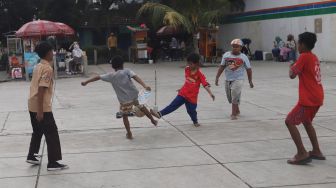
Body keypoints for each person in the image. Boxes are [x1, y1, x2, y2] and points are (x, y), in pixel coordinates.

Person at [81, 56, 157, 139]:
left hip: (124, 101)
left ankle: (129, 133)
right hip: (135, 96)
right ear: (122, 64)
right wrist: (144, 85)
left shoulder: (111, 75)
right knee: (143, 107)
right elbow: (136, 77)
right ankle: (152, 120)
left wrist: (86, 82)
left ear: (113, 66)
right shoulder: (127, 71)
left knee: (125, 116)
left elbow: (97, 77)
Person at [26, 41, 68, 171]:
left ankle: (32, 155)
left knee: (37, 131)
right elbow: (41, 89)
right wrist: (40, 111)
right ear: (48, 52)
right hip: (41, 106)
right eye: (52, 51)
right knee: (52, 133)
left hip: (31, 103)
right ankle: (53, 162)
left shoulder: (38, 66)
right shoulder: (48, 68)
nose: (53, 53)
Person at [286, 32, 325, 165]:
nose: (297, 45)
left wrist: (291, 66)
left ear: (302, 44)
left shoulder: (303, 57)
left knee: (289, 121)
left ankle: (302, 153)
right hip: (317, 96)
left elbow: (292, 75)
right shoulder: (313, 57)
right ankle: (316, 150)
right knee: (306, 121)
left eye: (298, 43)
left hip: (308, 99)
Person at [150, 53, 215, 127]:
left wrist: (210, 93)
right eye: (188, 63)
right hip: (183, 94)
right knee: (172, 105)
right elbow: (187, 81)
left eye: (191, 64)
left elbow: (205, 85)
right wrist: (181, 88)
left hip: (192, 98)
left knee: (191, 111)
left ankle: (195, 121)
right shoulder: (187, 69)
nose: (189, 65)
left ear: (196, 64)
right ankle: (159, 114)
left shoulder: (200, 75)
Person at [215, 39, 254, 120]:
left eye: (237, 47)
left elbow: (249, 69)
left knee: (234, 94)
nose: (235, 48)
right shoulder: (226, 55)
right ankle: (237, 110)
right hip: (228, 79)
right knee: (230, 97)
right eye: (233, 47)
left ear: (241, 48)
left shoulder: (244, 57)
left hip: (239, 79)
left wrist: (250, 81)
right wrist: (217, 77)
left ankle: (233, 114)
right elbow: (222, 66)